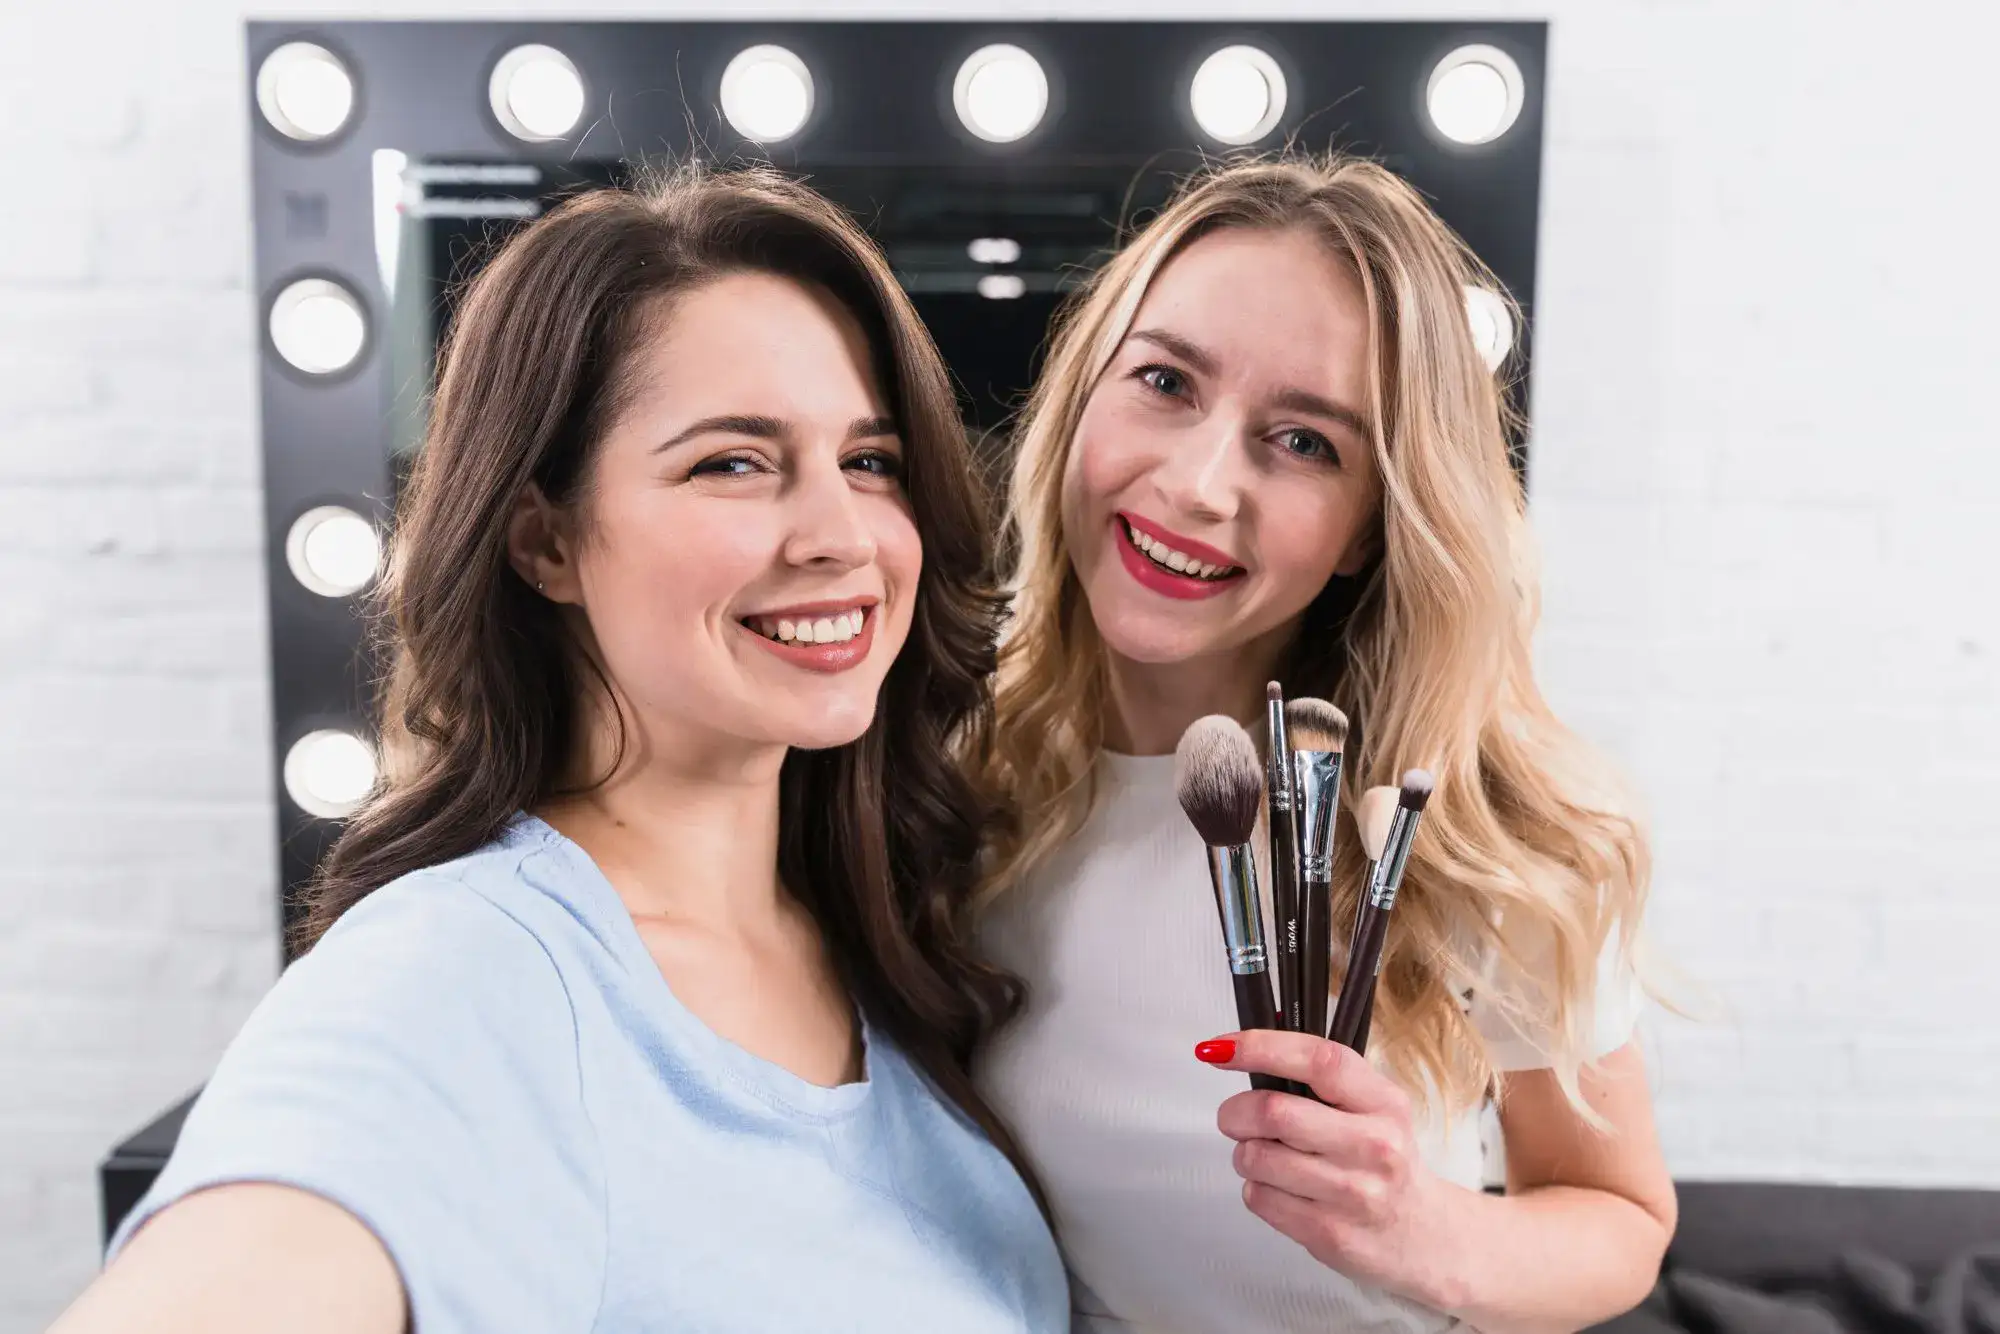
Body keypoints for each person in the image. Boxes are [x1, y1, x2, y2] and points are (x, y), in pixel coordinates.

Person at [52, 164, 1067, 1334]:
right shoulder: (464, 969)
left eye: (869, 460)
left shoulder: (865, 934)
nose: (841, 533)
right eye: (731, 462)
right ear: (544, 540)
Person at [975, 154, 1678, 1334]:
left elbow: (1618, 1215)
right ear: (1083, 391)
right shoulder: (943, 771)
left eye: (1304, 443)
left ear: (1368, 527)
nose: (1198, 484)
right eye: (1162, 380)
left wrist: (1420, 1229)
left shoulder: (1456, 822)